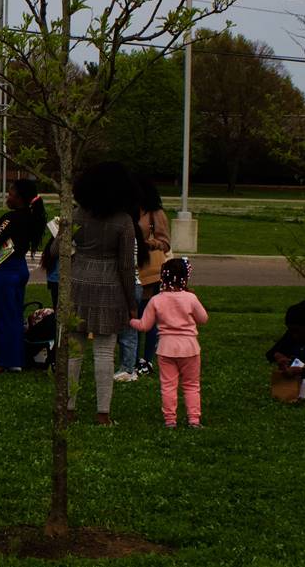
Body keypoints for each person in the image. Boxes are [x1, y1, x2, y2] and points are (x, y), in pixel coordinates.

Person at [64, 163, 138, 424]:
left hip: (77, 281)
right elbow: (127, 266)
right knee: (105, 352)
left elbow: (56, 250)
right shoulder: (123, 221)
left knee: (73, 351)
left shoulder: (76, 214)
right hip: (110, 287)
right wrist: (132, 302)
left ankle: (68, 409)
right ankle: (103, 413)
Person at [129, 258, 209, 427]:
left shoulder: (156, 300)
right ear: (185, 277)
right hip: (190, 348)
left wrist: (130, 321)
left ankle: (170, 420)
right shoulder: (191, 298)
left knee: (168, 386)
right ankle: (194, 419)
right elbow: (203, 318)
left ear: (162, 277)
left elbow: (144, 326)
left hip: (166, 349)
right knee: (191, 384)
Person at [0, 178, 42, 373]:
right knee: (13, 316)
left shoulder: (11, 218)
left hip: (4, 273)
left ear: (19, 198)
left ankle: (0, 361)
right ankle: (15, 359)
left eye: (11, 194)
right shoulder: (31, 216)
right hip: (19, 268)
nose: (8, 197)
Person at [117, 178, 170, 383]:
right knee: (133, 316)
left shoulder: (154, 213)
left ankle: (146, 359)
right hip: (131, 269)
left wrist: (146, 242)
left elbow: (165, 242)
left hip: (150, 272)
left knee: (149, 317)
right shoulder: (127, 211)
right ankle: (131, 358)